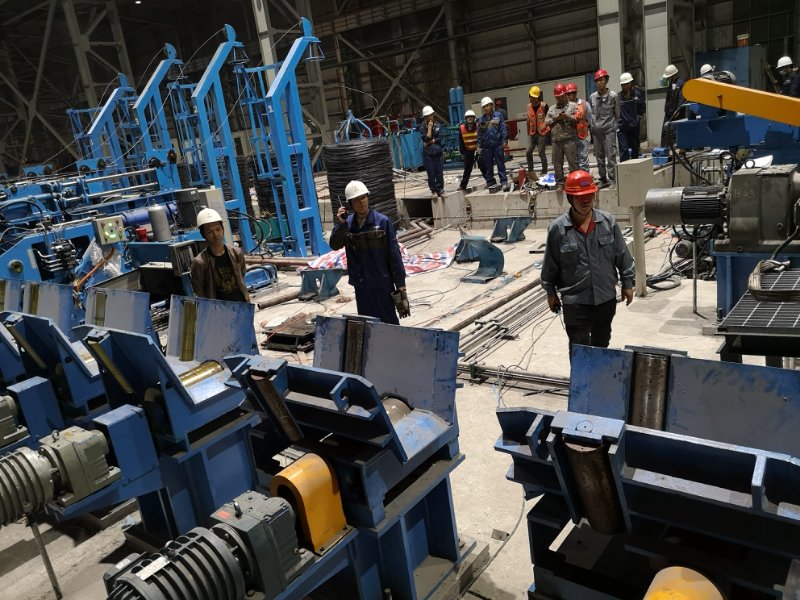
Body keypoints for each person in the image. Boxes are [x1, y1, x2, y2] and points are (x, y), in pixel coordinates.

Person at [541, 170, 634, 353]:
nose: (586, 201)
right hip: (575, 302)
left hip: (605, 299)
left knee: (602, 346)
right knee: (580, 351)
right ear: (570, 198)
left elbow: (622, 255)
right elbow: (550, 265)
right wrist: (550, 293)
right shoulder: (558, 229)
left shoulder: (608, 222)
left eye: (589, 195)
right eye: (580, 197)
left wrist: (627, 283)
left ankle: (598, 372)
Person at [329, 180, 409, 324]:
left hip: (382, 284)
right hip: (361, 286)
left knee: (389, 324)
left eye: (363, 197)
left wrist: (400, 285)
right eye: (356, 200)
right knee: (367, 325)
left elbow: (394, 255)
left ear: (368, 197)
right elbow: (335, 245)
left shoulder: (383, 222)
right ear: (350, 204)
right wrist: (341, 225)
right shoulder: (347, 225)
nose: (361, 202)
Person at [190, 208, 250, 302]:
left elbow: (242, 274)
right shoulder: (200, 262)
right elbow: (198, 290)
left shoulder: (236, 253)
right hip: (218, 309)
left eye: (218, 229)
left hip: (241, 305)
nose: (215, 234)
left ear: (223, 229)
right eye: (210, 231)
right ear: (203, 234)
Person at [589, 69, 619, 186]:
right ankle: (603, 179)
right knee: (599, 157)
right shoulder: (592, 97)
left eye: (602, 80)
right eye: (597, 81)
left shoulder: (613, 96)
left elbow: (617, 114)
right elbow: (592, 115)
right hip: (597, 132)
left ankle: (612, 179)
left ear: (606, 81)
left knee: (611, 156)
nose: (599, 83)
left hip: (609, 131)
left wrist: (614, 128)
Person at [545, 84, 579, 187]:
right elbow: (546, 122)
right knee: (557, 163)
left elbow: (577, 118)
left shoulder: (573, 106)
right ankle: (560, 182)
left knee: (573, 162)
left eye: (561, 96)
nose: (559, 99)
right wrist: (556, 118)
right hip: (556, 141)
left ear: (565, 95)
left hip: (569, 140)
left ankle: (574, 182)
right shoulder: (552, 109)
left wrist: (567, 117)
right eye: (557, 97)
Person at [477, 96, 509, 193]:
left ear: (491, 105)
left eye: (488, 105)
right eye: (484, 106)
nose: (486, 108)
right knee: (488, 165)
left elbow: (502, 128)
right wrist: (478, 145)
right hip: (486, 146)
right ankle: (491, 182)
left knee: (500, 163)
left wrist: (504, 140)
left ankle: (504, 182)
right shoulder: (481, 120)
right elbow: (480, 134)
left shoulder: (498, 116)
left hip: (497, 144)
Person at [617, 72, 646, 162]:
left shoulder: (637, 94)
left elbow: (642, 106)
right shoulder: (618, 97)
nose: (625, 86)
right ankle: (624, 167)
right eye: (623, 85)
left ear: (631, 83)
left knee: (635, 148)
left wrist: (638, 117)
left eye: (626, 84)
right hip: (622, 128)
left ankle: (635, 167)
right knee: (624, 149)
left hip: (634, 127)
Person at [418, 105, 444, 200]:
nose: (430, 118)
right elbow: (426, 138)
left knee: (439, 172)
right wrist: (429, 129)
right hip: (428, 154)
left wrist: (431, 142)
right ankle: (434, 191)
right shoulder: (422, 127)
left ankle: (440, 190)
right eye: (427, 116)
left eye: (431, 115)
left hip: (437, 152)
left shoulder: (438, 125)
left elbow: (440, 138)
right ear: (425, 117)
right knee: (431, 173)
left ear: (433, 115)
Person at [565, 83, 593, 172]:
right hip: (570, 137)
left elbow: (590, 118)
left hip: (582, 136)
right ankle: (576, 178)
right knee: (573, 160)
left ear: (575, 93)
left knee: (583, 159)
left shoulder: (584, 104)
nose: (568, 96)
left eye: (570, 94)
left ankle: (585, 177)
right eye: (567, 94)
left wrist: (589, 132)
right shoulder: (565, 106)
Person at [526, 85, 550, 177]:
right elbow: (529, 119)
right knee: (528, 152)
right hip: (532, 133)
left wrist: (547, 129)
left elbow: (549, 117)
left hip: (542, 133)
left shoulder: (544, 106)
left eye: (534, 97)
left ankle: (544, 171)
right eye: (531, 96)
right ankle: (530, 171)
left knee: (541, 153)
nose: (532, 99)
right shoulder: (528, 107)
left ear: (538, 97)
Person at [661, 64, 685, 149]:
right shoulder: (670, 84)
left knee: (674, 132)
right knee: (665, 131)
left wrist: (678, 110)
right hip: (669, 112)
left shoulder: (680, 83)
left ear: (673, 75)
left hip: (677, 112)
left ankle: (677, 150)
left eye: (669, 77)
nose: (667, 78)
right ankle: (665, 149)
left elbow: (681, 98)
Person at [458, 109, 480, 191]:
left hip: (477, 149)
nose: (470, 118)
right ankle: (463, 186)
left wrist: (480, 148)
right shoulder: (462, 128)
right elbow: (461, 141)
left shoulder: (478, 126)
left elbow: (481, 138)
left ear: (474, 118)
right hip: (468, 151)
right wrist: (463, 152)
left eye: (471, 117)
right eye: (468, 117)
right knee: (467, 169)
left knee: (483, 166)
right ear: (466, 118)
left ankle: (490, 183)